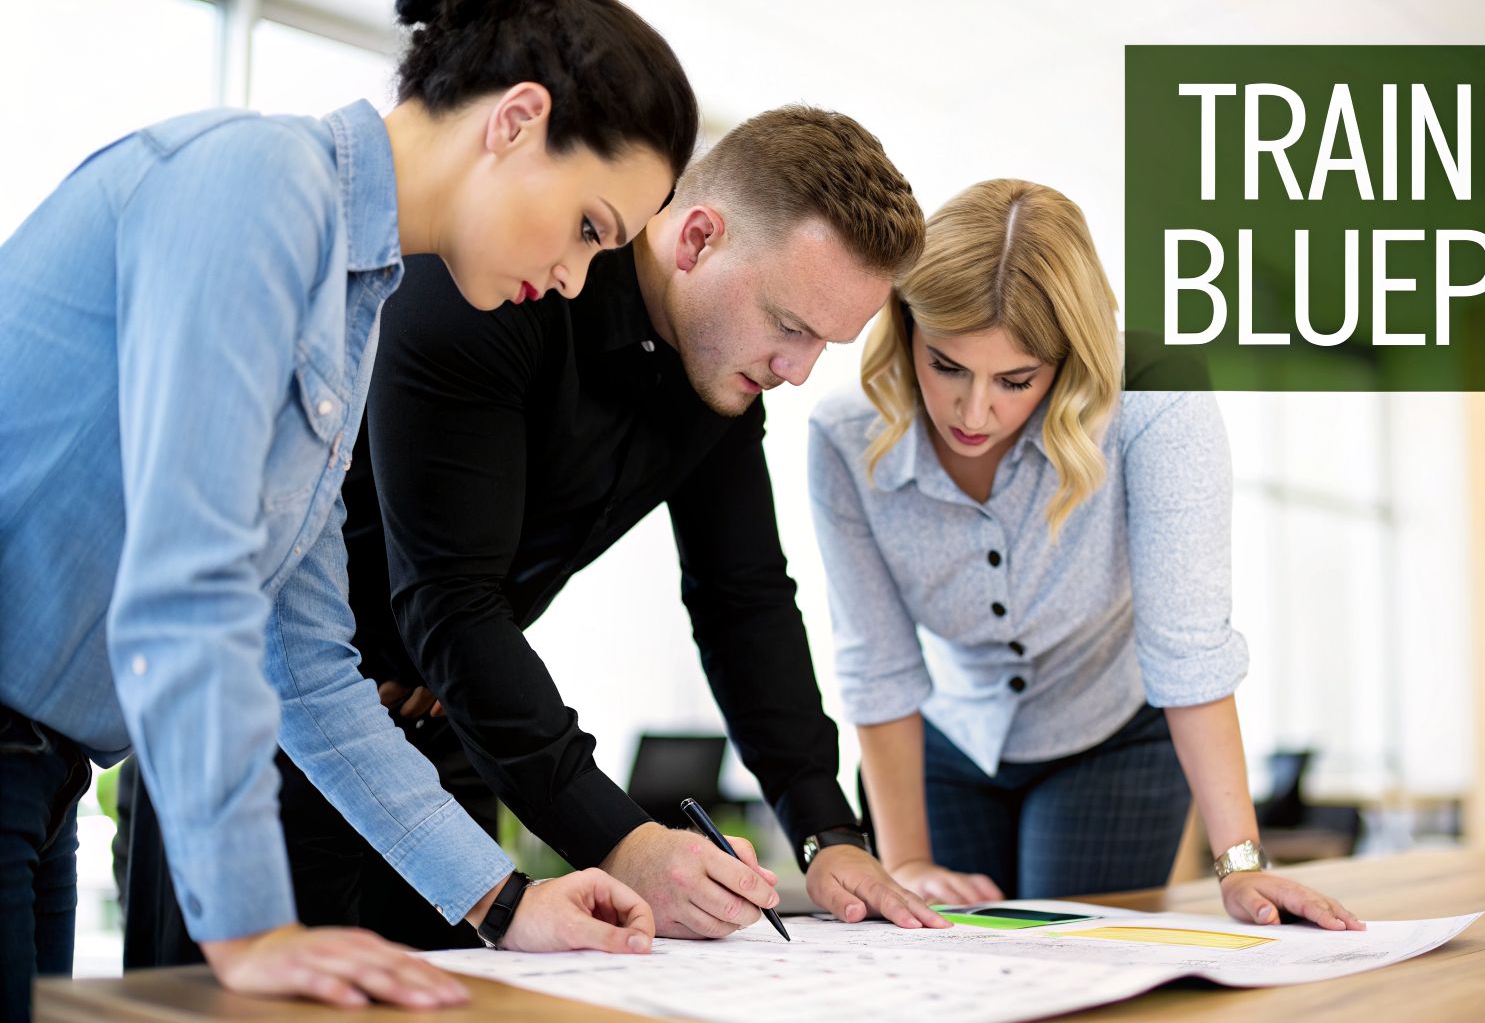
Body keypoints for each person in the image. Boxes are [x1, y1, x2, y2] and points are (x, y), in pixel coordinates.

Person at [0, 0, 697, 1014]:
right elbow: (189, 586)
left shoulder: (347, 302)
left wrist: (503, 900)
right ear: (516, 121)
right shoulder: (258, 184)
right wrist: (250, 928)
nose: (573, 276)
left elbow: (311, 667)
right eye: (589, 228)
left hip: (45, 772)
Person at [126, 105, 949, 963]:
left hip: (447, 738)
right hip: (269, 729)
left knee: (454, 1004)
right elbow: (452, 599)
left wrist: (827, 831)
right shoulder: (509, 281)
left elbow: (744, 599)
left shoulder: (723, 377)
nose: (798, 372)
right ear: (699, 238)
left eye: (826, 344)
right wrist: (622, 840)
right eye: (790, 326)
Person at [807, 180, 1366, 929]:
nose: (975, 411)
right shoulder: (844, 437)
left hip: (1109, 736)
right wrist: (904, 862)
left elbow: (1187, 645)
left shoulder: (1153, 399)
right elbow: (877, 664)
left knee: (1067, 955)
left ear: (1068, 361)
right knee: (941, 953)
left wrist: (1242, 864)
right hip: (945, 741)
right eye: (947, 366)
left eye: (1016, 380)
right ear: (905, 327)